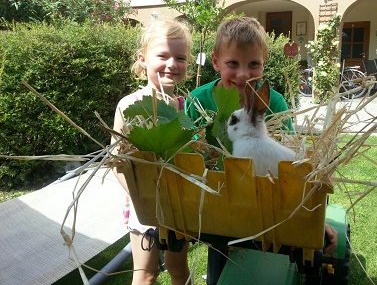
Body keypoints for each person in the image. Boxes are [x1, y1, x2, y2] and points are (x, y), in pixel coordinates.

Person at [185, 16, 338, 253]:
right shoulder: (198, 100)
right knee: (221, 254)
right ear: (216, 62)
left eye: (253, 64)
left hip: (266, 203)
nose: (244, 74)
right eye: (233, 63)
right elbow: (190, 155)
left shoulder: (274, 103)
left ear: (264, 63)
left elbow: (290, 166)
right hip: (216, 201)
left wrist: (315, 216)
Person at [112, 19, 192, 285]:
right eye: (163, 55)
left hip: (177, 204)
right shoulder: (129, 105)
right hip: (143, 205)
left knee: (178, 268)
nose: (172, 64)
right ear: (143, 59)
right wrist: (140, 196)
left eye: (180, 57)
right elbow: (117, 162)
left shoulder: (185, 106)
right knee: (145, 273)